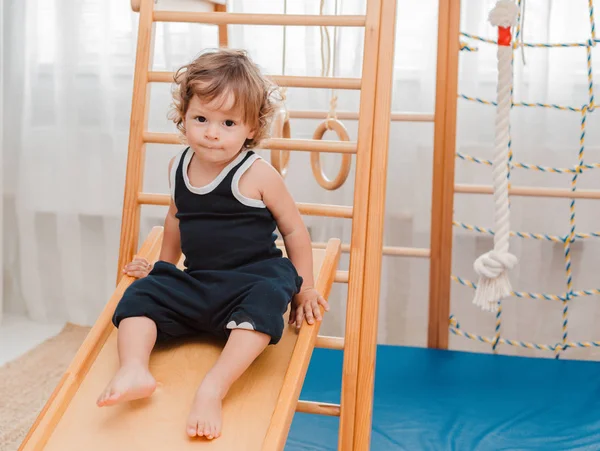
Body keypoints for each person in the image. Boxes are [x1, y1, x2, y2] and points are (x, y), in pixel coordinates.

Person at [96, 48, 329, 440]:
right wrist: (164, 268)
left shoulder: (258, 174)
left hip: (253, 277)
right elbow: (175, 218)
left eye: (228, 122)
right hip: (201, 281)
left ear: (252, 128)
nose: (211, 132)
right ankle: (133, 368)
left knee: (270, 294)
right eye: (200, 118)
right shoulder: (178, 166)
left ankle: (213, 387)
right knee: (140, 295)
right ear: (183, 116)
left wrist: (304, 287)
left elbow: (294, 232)